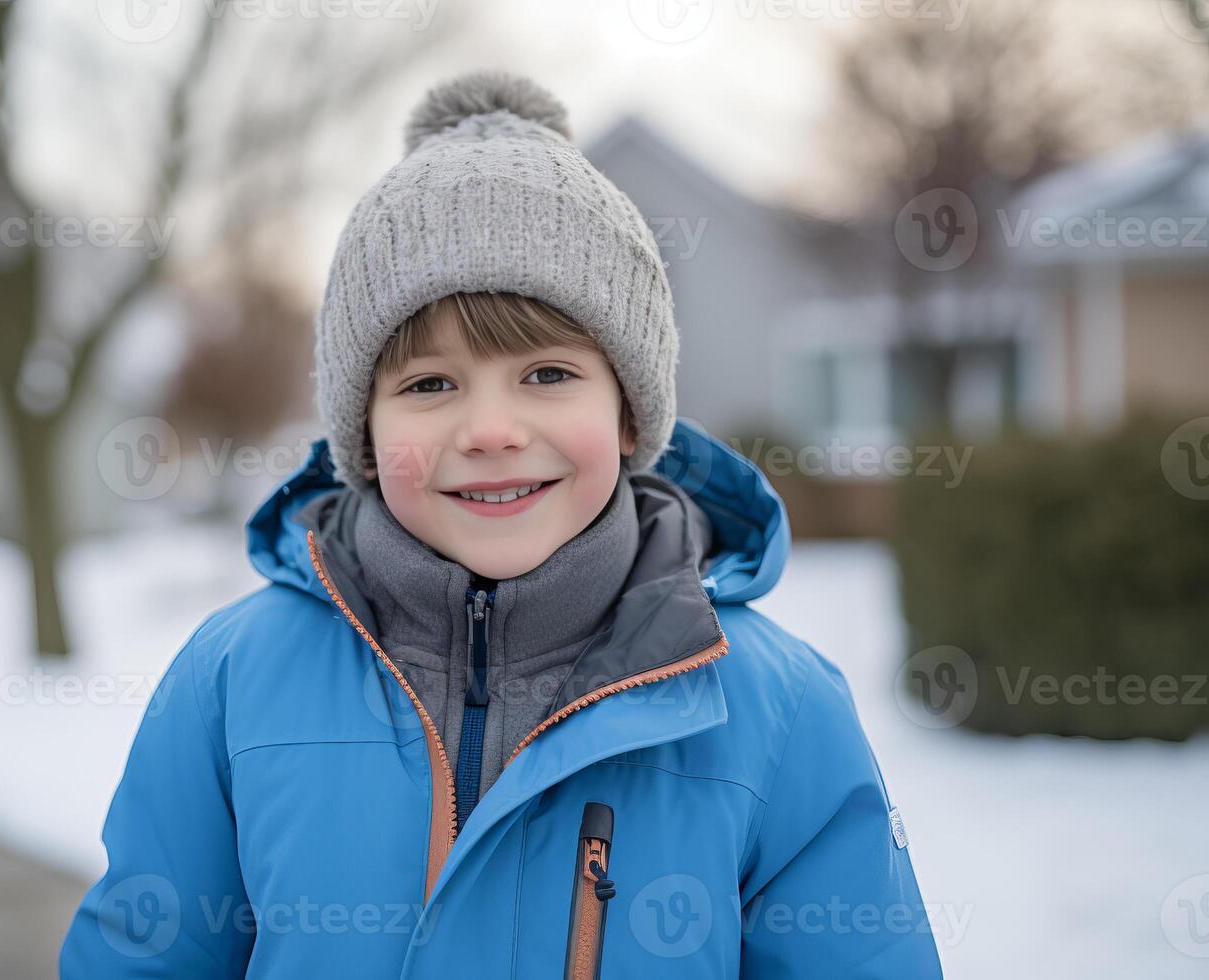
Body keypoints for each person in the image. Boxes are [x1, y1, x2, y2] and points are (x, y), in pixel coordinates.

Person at [60, 69, 944, 979]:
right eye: (429, 384)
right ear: (361, 432)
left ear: (633, 415)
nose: (488, 431)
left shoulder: (774, 709)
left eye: (548, 375)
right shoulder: (232, 683)